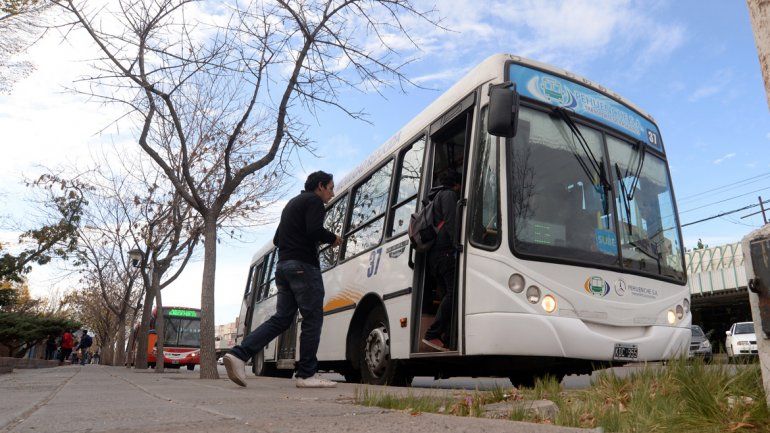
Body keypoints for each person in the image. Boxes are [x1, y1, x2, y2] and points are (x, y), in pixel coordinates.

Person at [224, 171, 342, 388]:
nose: (332, 194)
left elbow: (278, 239)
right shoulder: (314, 201)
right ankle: (306, 375)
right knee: (313, 317)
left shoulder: (291, 204)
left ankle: (239, 354)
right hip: (303, 267)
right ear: (320, 186)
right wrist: (333, 238)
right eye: (331, 188)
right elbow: (314, 230)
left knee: (282, 318)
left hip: (283, 267)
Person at [421, 170, 462, 352]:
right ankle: (433, 334)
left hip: (434, 256)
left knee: (448, 295)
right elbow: (452, 222)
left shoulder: (435, 196)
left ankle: (444, 337)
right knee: (454, 293)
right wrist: (458, 245)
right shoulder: (449, 195)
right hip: (445, 253)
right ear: (457, 184)